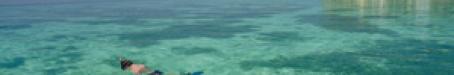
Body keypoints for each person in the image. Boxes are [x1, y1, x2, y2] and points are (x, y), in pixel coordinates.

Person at [120, 57, 203, 75]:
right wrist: (121, 59)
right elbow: (125, 61)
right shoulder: (137, 64)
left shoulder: (134, 70)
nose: (126, 69)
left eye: (125, 68)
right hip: (156, 71)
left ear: (127, 66)